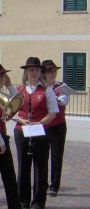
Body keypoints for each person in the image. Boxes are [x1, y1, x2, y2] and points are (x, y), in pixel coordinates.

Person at [0, 63, 34, 209]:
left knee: (10, 178)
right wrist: (0, 142)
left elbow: (19, 103)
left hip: (1, 137)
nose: (5, 78)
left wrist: (10, 86)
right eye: (3, 75)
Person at [12, 57, 57, 209]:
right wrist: (22, 121)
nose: (34, 73)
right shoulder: (18, 90)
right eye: (31, 70)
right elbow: (11, 111)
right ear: (26, 72)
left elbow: (52, 112)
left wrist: (40, 123)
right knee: (23, 166)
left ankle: (38, 201)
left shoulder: (47, 91)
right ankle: (22, 200)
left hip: (40, 131)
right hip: (22, 131)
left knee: (40, 166)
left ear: (40, 73)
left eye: (37, 70)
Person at [42, 59, 69, 198]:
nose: (53, 73)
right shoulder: (40, 87)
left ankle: (54, 185)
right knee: (42, 155)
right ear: (44, 73)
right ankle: (42, 183)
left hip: (58, 125)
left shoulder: (61, 86)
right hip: (45, 125)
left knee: (56, 156)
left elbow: (64, 100)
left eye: (54, 70)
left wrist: (52, 99)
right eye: (49, 71)